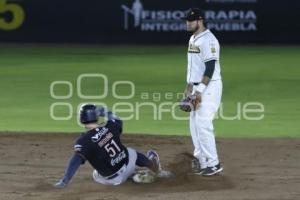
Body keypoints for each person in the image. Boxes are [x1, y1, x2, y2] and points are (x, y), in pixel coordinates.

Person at [54, 104, 161, 188]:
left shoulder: (83, 141)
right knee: (130, 152)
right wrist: (104, 111)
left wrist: (65, 180)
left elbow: (75, 160)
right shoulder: (110, 126)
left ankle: (132, 178)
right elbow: (118, 119)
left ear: (82, 119)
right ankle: (153, 166)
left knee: (96, 175)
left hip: (112, 181)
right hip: (128, 165)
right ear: (95, 116)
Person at [182, 8, 223, 176]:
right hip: (197, 86)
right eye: (186, 21)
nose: (187, 23)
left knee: (203, 124)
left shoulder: (209, 40)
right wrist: (189, 86)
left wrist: (199, 91)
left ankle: (214, 163)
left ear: (200, 21)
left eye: (190, 21)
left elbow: (210, 67)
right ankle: (201, 160)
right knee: (194, 124)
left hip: (210, 86)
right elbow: (194, 67)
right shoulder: (193, 38)